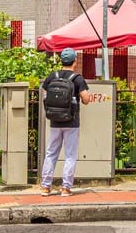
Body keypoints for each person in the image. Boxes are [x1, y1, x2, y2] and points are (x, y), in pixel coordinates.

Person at [40, 48, 101, 197]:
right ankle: (66, 188)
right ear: (75, 61)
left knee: (51, 153)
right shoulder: (77, 78)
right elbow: (86, 99)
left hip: (55, 121)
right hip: (71, 122)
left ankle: (45, 187)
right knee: (70, 155)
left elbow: (44, 93)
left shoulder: (52, 76)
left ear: (61, 61)